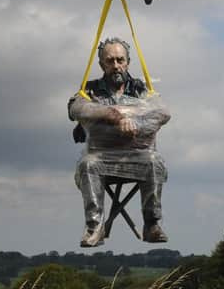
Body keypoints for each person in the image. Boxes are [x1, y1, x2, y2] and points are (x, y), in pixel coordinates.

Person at [68, 36, 171, 247]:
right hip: (101, 157)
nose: (116, 66)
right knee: (88, 164)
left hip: (137, 157)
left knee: (154, 162)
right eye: (110, 61)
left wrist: (136, 123)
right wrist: (113, 115)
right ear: (101, 64)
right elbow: (76, 109)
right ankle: (95, 228)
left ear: (128, 62)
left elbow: (162, 112)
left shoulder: (140, 88)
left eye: (120, 60)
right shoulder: (90, 89)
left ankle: (152, 224)